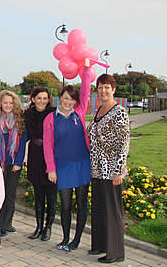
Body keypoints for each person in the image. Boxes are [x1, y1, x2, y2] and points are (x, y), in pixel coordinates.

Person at [43, 58, 91, 251]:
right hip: (62, 167)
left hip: (82, 164)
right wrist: (51, 169)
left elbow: (86, 89)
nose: (68, 102)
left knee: (81, 203)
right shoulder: (50, 118)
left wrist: (86, 68)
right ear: (59, 99)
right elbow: (47, 146)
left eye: (72, 99)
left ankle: (76, 240)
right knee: (64, 206)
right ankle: (64, 238)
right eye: (65, 98)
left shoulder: (79, 112)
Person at [87, 74, 130, 263]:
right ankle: (100, 245)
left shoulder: (119, 112)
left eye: (107, 87)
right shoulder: (99, 111)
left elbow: (124, 143)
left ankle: (115, 252)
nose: (103, 91)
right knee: (98, 210)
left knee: (112, 212)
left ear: (113, 89)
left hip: (111, 171)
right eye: (100, 87)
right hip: (96, 170)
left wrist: (119, 170)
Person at [0, 90, 27, 237]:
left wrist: (19, 162)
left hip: (14, 163)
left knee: (10, 194)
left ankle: (7, 223)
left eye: (11, 102)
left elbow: (21, 144)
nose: (8, 105)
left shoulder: (20, 120)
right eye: (5, 102)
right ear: (0, 104)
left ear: (14, 104)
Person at [25, 87, 57, 241]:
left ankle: (48, 227)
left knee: (50, 195)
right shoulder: (28, 114)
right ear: (33, 99)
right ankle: (38, 227)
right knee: (38, 194)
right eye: (39, 98)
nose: (42, 101)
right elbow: (25, 134)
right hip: (35, 156)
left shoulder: (53, 113)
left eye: (45, 98)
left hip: (50, 156)